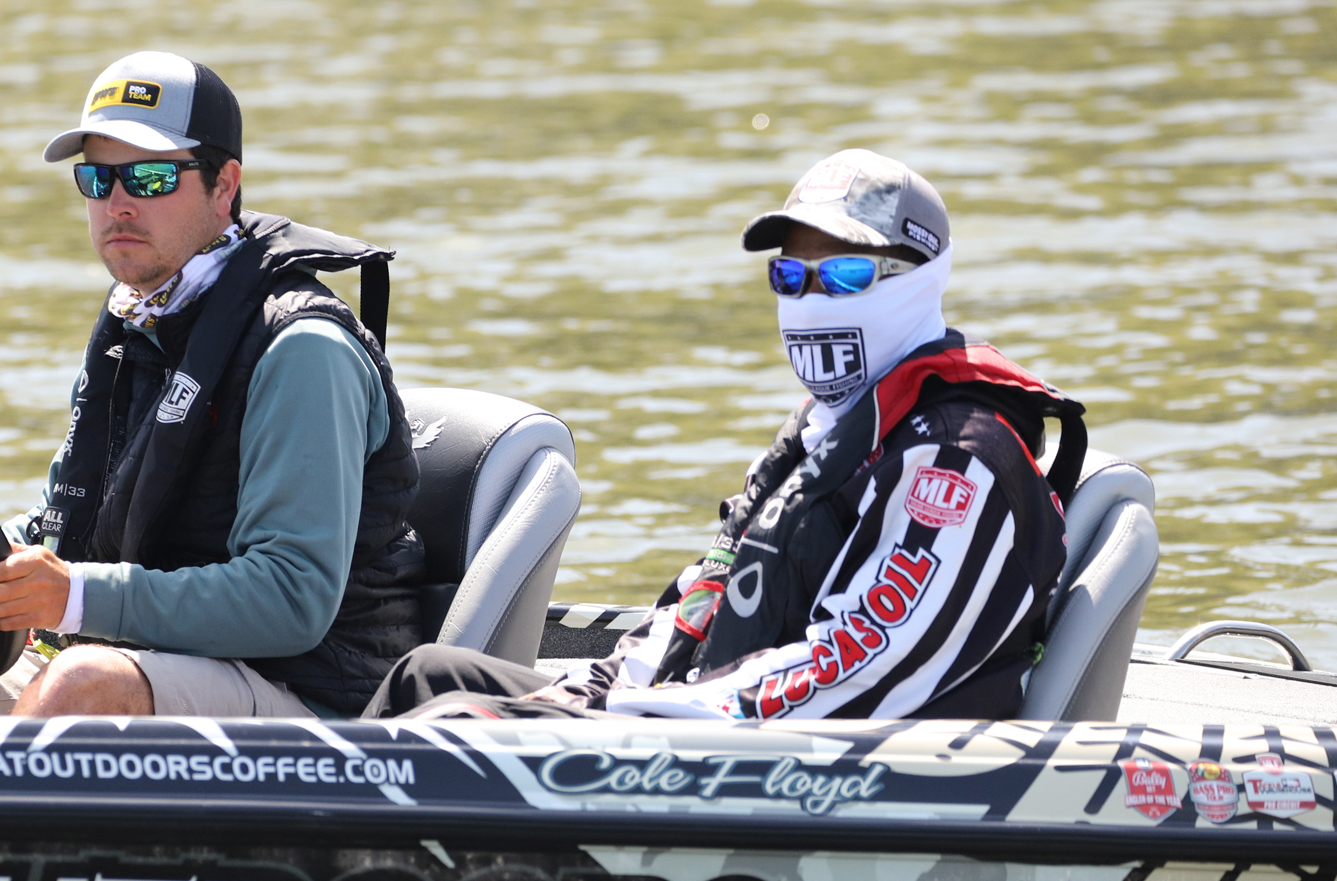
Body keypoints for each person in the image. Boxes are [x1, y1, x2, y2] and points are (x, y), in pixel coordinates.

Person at [366, 148, 1086, 722]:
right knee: (429, 677)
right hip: (709, 724)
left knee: (457, 721)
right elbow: (705, 596)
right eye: (790, 276)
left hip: (812, 777)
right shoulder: (824, 434)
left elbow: (860, 671)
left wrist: (648, 711)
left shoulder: (959, 462)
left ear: (921, 276)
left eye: (842, 274)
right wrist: (602, 687)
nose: (808, 301)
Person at [0, 51, 425, 719]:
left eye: (148, 177)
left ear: (223, 185)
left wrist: (76, 597)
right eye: (97, 178)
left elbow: (291, 601)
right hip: (136, 659)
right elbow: (58, 543)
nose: (118, 204)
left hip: (314, 701)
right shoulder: (140, 323)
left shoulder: (303, 349)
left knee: (83, 684)